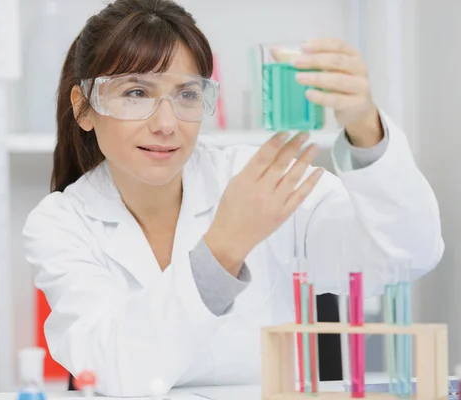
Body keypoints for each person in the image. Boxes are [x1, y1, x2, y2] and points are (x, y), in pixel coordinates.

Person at [23, 0, 443, 396]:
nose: (166, 123)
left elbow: (405, 255)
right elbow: (115, 368)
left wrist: (366, 130)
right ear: (84, 107)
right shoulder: (61, 224)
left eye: (187, 93)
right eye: (136, 93)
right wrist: (223, 248)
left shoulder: (258, 179)